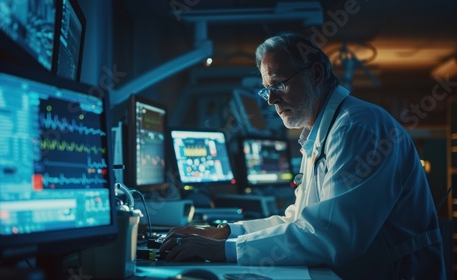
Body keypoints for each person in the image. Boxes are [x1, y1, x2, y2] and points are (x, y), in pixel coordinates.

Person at [159, 33, 446, 279]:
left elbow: (334, 237)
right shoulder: (324, 130)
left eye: (279, 84)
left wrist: (224, 250)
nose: (270, 100)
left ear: (317, 74)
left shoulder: (357, 128)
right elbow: (299, 220)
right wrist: (225, 232)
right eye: (266, 90)